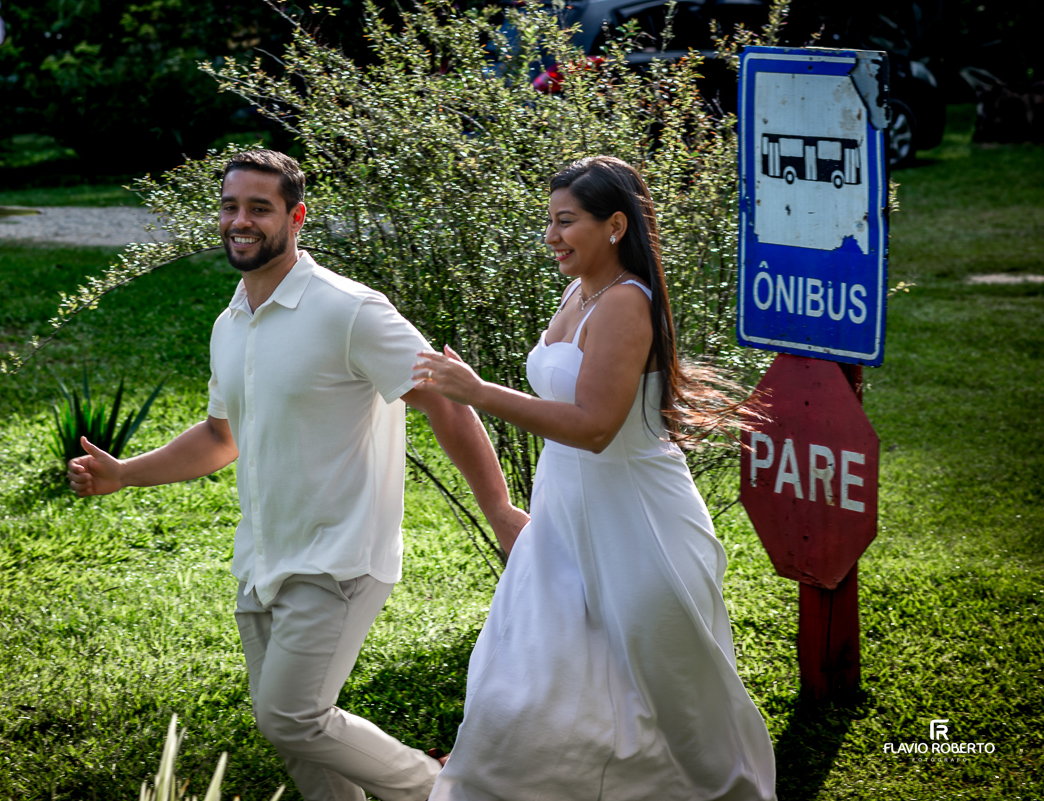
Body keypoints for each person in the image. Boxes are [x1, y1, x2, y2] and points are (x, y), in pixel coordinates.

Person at [67, 150, 528, 801]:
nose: (240, 220)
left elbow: (445, 399)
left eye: (259, 207)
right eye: (231, 207)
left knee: (290, 715)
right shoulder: (231, 323)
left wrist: (499, 506)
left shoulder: (349, 309)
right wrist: (126, 474)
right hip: (262, 558)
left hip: (340, 556)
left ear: (296, 216)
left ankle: (450, 792)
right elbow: (220, 436)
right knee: (295, 734)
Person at [414, 156, 777, 800]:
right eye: (548, 222)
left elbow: (594, 427)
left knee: (676, 697)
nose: (551, 236)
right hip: (564, 518)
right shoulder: (579, 290)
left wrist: (475, 392)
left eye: (565, 222)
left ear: (615, 225)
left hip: (636, 522)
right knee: (524, 677)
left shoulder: (626, 304)